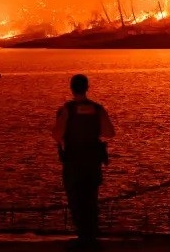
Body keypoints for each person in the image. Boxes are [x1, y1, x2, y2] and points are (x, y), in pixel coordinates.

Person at [52, 74, 115, 249]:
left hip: (73, 162)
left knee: (76, 200)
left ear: (71, 88)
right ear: (87, 87)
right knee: (91, 199)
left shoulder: (67, 110)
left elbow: (57, 135)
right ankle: (91, 237)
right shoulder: (97, 108)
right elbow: (110, 133)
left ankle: (82, 238)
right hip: (92, 162)